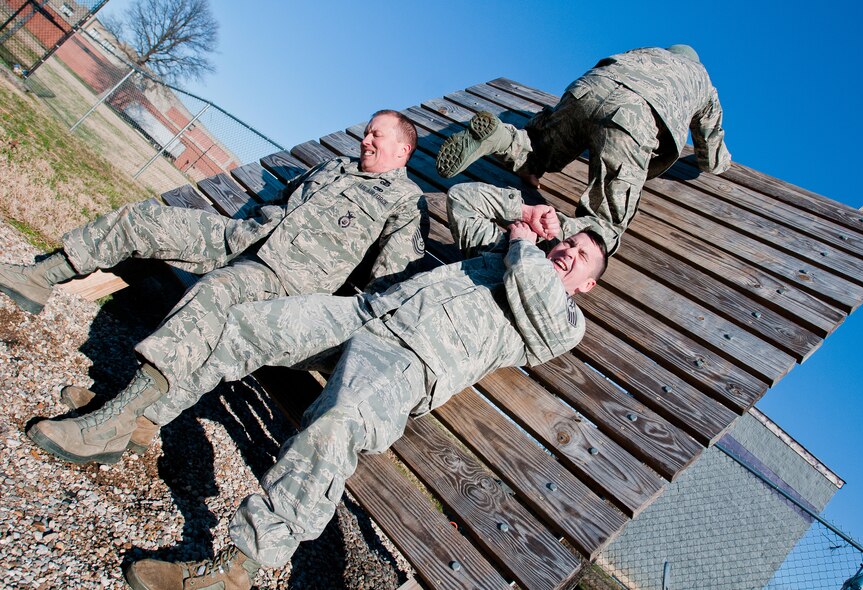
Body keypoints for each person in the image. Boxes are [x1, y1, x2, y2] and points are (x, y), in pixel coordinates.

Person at [76, 180, 606, 590]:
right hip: (365, 312)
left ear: (588, 286)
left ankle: (235, 568)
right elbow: (464, 199)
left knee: (334, 427)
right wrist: (521, 212)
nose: (568, 253)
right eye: (570, 244)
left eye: (580, 258)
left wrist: (525, 243)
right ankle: (134, 420)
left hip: (403, 365)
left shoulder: (563, 319)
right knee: (245, 327)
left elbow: (530, 282)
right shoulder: (500, 254)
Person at [17, 110, 429, 464]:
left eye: (377, 134)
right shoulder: (334, 166)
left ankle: (118, 420)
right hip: (242, 238)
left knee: (216, 294)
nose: (366, 138)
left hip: (284, 282)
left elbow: (386, 287)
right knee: (145, 220)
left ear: (402, 150)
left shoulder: (405, 201)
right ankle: (39, 278)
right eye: (367, 131)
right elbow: (283, 204)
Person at [435, 44, 732, 254]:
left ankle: (499, 136)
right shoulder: (703, 83)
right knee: (605, 224)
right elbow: (710, 152)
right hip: (634, 118)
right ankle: (553, 232)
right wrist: (720, 162)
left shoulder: (647, 52)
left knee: (539, 148)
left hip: (589, 88)